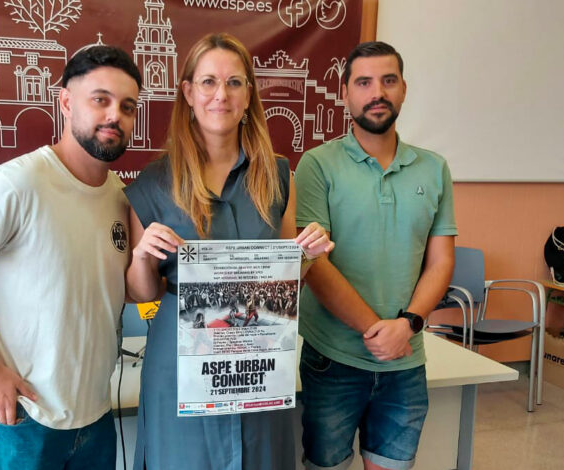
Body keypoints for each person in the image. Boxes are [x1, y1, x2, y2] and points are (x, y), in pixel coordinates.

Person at [0, 45, 142, 469]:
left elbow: (118, 291)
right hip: (21, 417)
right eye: (100, 99)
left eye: (127, 106)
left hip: (95, 415)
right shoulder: (16, 183)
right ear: (66, 102)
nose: (115, 115)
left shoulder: (121, 197)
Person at [123, 33, 334, 470]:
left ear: (249, 94)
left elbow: (287, 276)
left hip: (259, 354)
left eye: (234, 82)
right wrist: (142, 256)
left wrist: (308, 254)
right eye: (208, 82)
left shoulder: (278, 175)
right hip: (181, 360)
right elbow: (141, 294)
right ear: (188, 92)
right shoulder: (154, 182)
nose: (221, 95)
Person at [295, 41, 457, 470]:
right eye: (364, 82)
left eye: (388, 80)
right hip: (333, 359)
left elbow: (441, 261)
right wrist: (376, 331)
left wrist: (408, 326)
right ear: (345, 92)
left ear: (403, 88)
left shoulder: (434, 169)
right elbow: (313, 263)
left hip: (406, 359)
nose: (377, 93)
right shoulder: (316, 165)